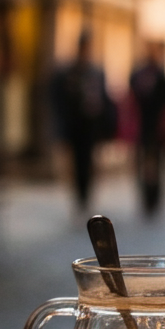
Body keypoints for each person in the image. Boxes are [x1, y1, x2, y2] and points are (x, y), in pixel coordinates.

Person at [51, 31, 114, 211]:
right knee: (77, 163)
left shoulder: (96, 72)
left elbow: (104, 99)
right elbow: (59, 98)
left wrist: (105, 125)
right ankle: (79, 197)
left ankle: (86, 196)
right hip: (75, 125)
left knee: (88, 162)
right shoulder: (69, 72)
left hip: (92, 126)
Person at [130, 40, 165, 216]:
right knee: (145, 166)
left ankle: (154, 199)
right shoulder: (139, 75)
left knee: (157, 166)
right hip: (143, 128)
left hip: (157, 130)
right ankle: (147, 199)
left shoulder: (160, 76)